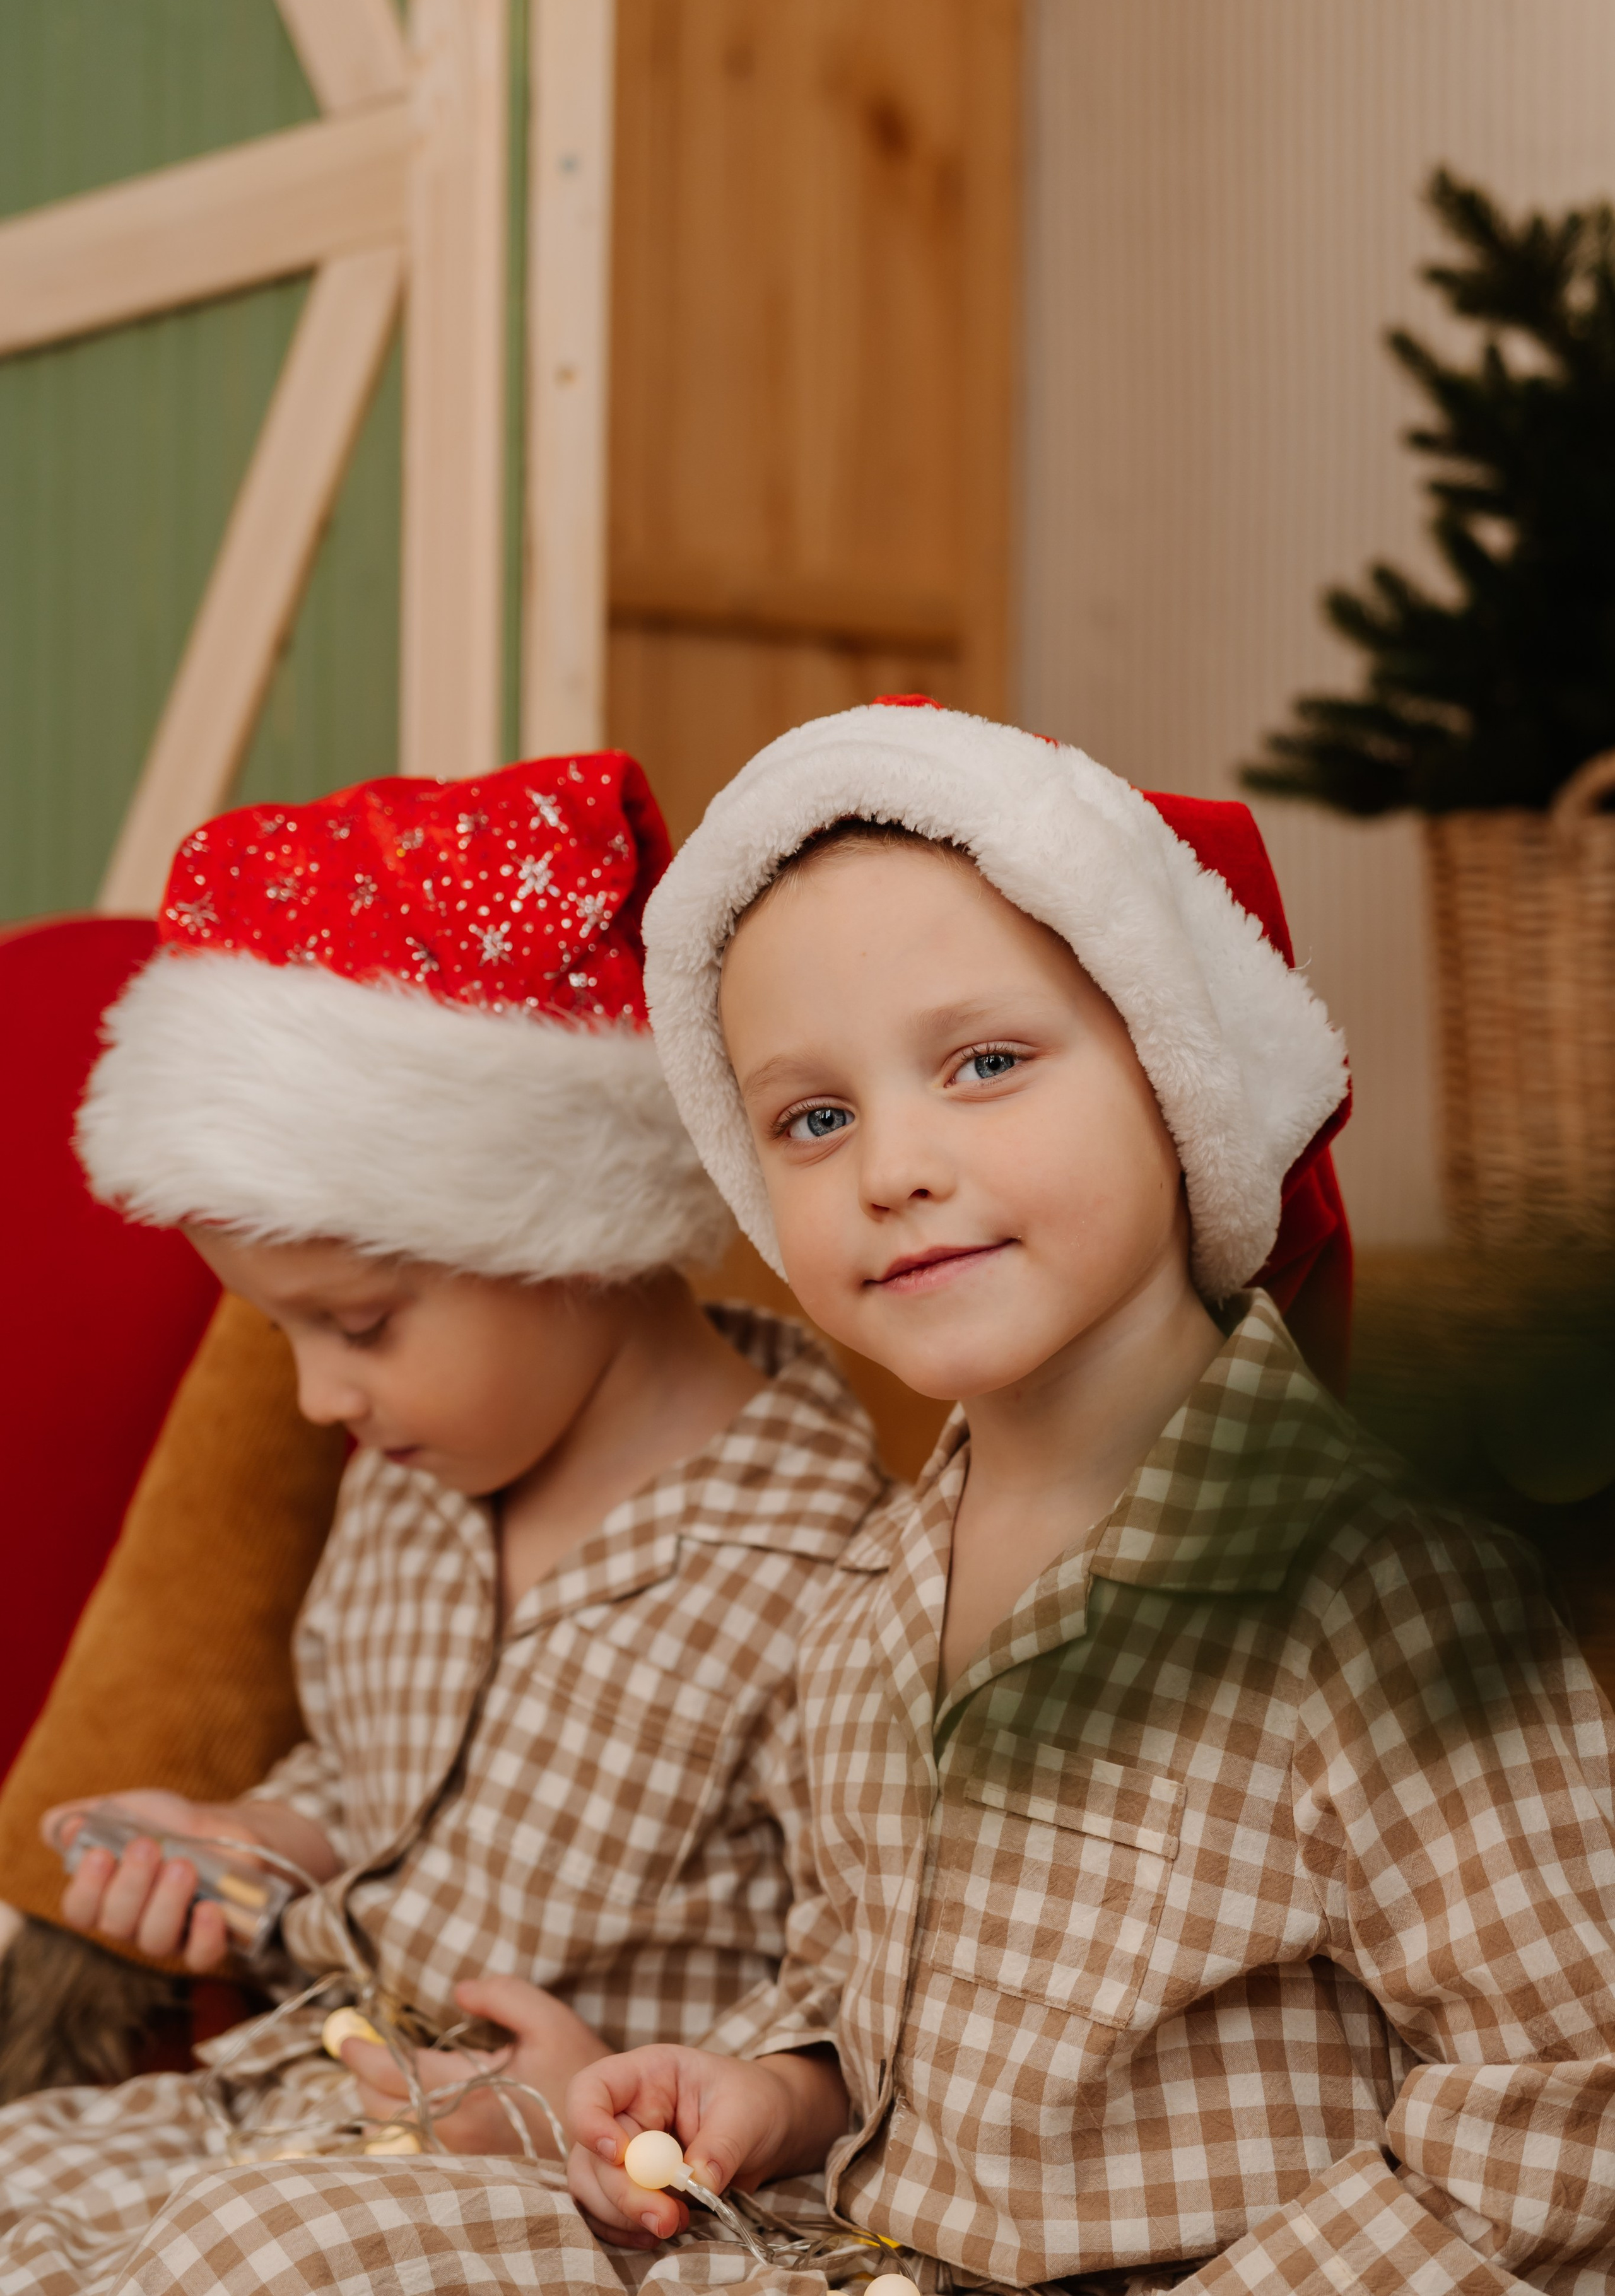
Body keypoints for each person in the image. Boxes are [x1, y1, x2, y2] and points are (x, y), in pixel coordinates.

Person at [548, 696, 1615, 2296]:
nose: (889, 1164)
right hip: (855, 2250)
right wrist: (773, 2093)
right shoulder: (869, 1598)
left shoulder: (1371, 1585)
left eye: (983, 1062)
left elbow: (1565, 2097)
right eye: (813, 1116)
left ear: (1177, 1086)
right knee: (284, 2237)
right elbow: (871, 1977)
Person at [0, 753, 886, 2294]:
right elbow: (364, 1772)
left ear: (563, 1231)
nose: (313, 1397)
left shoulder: (820, 1570)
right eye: (283, 1334)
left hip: (582, 2195)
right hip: (311, 2099)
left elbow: (868, 1987)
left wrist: (617, 2099)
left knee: (242, 2256)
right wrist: (260, 1841)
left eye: (355, 1322)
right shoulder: (416, 1485)